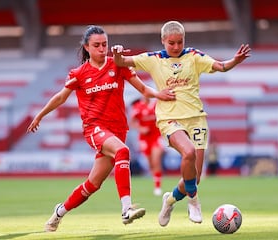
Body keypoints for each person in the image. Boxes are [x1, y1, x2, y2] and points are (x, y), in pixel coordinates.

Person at [27, 25, 175, 232]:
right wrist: (40, 115)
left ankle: (59, 212)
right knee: (123, 151)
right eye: (96, 45)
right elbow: (61, 97)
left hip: (118, 130)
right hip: (94, 128)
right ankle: (126, 209)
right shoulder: (79, 73)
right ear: (87, 47)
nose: (102, 48)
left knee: (92, 184)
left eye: (104, 44)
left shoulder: (118, 64)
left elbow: (142, 88)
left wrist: (160, 94)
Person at [112, 20, 251, 227]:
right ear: (163, 41)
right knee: (188, 152)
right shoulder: (154, 59)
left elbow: (220, 66)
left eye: (179, 42)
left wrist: (235, 61)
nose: (176, 47)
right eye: (171, 43)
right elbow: (122, 62)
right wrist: (116, 53)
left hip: (197, 118)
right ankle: (193, 201)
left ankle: (169, 200)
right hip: (170, 118)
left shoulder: (193, 56)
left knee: (195, 178)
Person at [130, 97, 164, 196]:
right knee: (150, 163)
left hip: (156, 136)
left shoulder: (156, 105)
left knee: (156, 159)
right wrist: (141, 128)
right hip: (144, 138)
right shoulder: (138, 106)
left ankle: (157, 186)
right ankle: (154, 177)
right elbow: (132, 122)